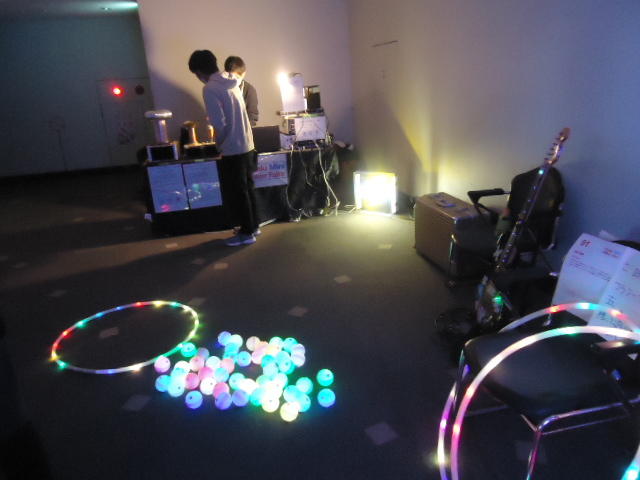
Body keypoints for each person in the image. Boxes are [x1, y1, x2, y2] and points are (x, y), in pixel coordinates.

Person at [188, 50, 259, 246]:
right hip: (248, 144)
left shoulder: (210, 89)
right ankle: (254, 226)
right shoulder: (233, 80)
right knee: (248, 188)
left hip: (232, 148)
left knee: (238, 192)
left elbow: (219, 123)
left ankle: (246, 234)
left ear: (199, 72)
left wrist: (218, 144)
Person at [224, 56, 259, 127]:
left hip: (243, 130)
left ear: (243, 74)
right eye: (230, 77)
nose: (233, 81)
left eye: (236, 78)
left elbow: (253, 116)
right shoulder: (222, 88)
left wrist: (244, 127)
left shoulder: (249, 90)